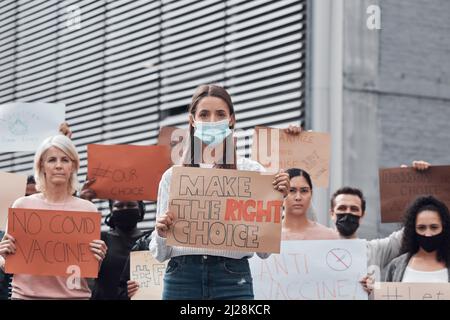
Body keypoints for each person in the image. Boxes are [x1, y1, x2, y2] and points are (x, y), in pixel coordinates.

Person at [150, 84, 290, 300]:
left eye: (220, 114)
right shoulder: (173, 176)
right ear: (192, 120)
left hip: (233, 280)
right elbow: (159, 254)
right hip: (181, 279)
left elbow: (264, 252)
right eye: (204, 114)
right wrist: (161, 232)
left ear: (231, 120)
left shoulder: (253, 172)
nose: (212, 121)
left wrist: (276, 202)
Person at [0, 134, 107, 299]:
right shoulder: (21, 206)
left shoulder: (88, 210)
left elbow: (90, 272)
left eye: (65, 160)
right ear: (41, 166)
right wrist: (3, 255)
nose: (58, 166)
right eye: (51, 160)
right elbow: (7, 263)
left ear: (73, 166)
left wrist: (97, 259)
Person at [384, 195, 450, 282]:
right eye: (421, 228)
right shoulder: (396, 266)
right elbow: (386, 294)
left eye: (434, 227)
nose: (428, 234)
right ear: (413, 230)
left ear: (444, 228)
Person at [282, 168, 339, 240]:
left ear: (311, 194)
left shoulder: (329, 236)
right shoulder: (269, 237)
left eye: (304, 191)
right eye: (291, 190)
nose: (298, 197)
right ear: (281, 194)